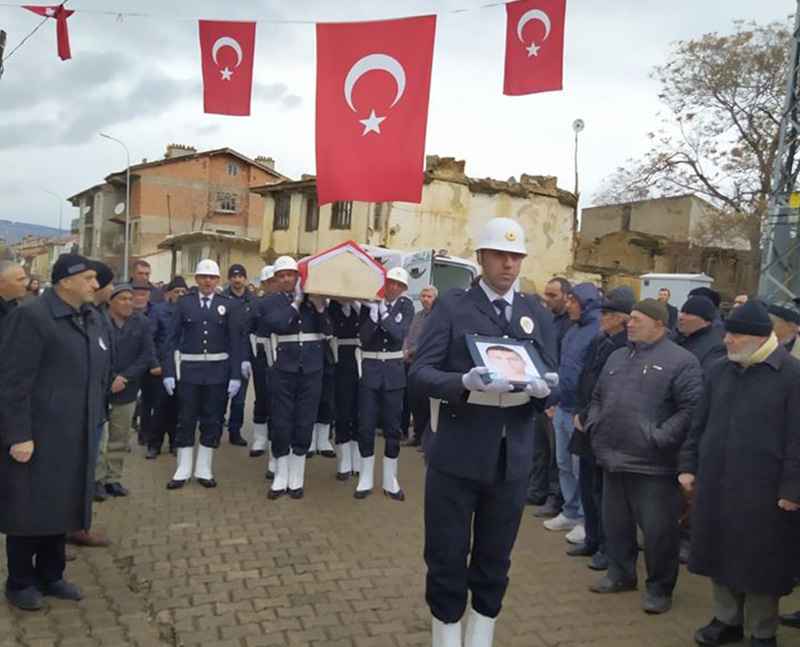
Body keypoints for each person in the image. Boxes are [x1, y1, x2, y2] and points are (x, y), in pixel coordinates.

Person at [411, 217, 558, 647]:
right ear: (481, 258)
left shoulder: (535, 312)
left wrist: (546, 390)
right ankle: (446, 637)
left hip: (511, 458)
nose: (509, 265)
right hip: (458, 451)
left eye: (516, 256)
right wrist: (462, 384)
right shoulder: (453, 307)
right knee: (447, 554)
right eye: (500, 255)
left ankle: (481, 636)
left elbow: (552, 374)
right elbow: (421, 373)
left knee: (496, 558)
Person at [680, 301, 800, 647]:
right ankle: (726, 619)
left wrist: (793, 489)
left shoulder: (792, 376)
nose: (727, 339)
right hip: (717, 484)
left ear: (759, 337)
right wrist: (688, 465)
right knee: (719, 553)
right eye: (727, 332)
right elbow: (698, 425)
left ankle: (762, 631)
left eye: (735, 334)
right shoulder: (719, 370)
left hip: (765, 491)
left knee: (760, 563)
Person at [0, 254, 109, 610]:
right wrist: (18, 435)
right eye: (90, 278)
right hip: (38, 433)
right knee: (28, 508)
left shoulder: (89, 316)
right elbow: (13, 381)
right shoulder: (31, 317)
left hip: (75, 432)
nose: (96, 285)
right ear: (66, 281)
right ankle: (19, 582)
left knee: (61, 506)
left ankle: (52, 575)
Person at [586, 298, 703, 614]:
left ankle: (660, 588)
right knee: (616, 526)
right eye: (630, 318)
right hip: (612, 457)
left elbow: (691, 409)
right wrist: (595, 424)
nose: (629, 323)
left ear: (658, 324)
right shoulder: (617, 356)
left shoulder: (682, 361)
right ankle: (621, 574)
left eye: (637, 319)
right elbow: (597, 396)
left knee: (658, 533)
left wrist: (659, 436)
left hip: (653, 465)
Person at [569, 286, 635, 572]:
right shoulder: (601, 340)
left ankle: (609, 549)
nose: (602, 318)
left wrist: (589, 414)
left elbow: (611, 389)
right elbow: (588, 377)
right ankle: (593, 539)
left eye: (608, 314)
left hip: (604, 426)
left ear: (622, 318)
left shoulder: (625, 346)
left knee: (603, 492)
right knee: (587, 486)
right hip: (586, 421)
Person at [162, 259, 244, 490]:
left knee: (213, 419)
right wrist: (168, 371)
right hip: (189, 373)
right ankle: (183, 468)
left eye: (212, 277)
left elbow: (235, 342)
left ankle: (204, 468)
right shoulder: (183, 303)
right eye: (203, 277)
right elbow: (170, 340)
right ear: (196, 279)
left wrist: (236, 375)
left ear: (218, 280)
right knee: (186, 419)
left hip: (218, 373)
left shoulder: (227, 304)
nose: (208, 281)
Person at [260, 256, 331, 500]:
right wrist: (297, 302)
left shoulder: (315, 301)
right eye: (282, 276)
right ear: (276, 279)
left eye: (291, 274)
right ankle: (280, 475)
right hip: (284, 368)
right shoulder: (270, 301)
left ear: (298, 276)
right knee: (281, 422)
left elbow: (328, 330)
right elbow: (279, 325)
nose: (287, 279)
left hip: (311, 369)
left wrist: (320, 308)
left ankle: (297, 477)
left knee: (304, 421)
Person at [545, 282, 601, 543]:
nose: (568, 305)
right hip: (562, 406)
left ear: (586, 303)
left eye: (572, 301)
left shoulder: (596, 331)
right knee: (563, 464)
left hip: (579, 411)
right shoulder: (572, 330)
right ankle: (569, 510)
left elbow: (593, 376)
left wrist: (585, 409)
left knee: (581, 470)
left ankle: (583, 519)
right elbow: (562, 366)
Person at [354, 266, 415, 501]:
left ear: (403, 289)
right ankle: (365, 476)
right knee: (366, 425)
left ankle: (391, 479)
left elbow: (400, 334)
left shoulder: (406, 306)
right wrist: (371, 317)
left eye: (399, 285)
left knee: (392, 427)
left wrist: (383, 315)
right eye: (391, 283)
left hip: (393, 372)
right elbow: (365, 337)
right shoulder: (370, 305)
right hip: (370, 370)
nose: (394, 287)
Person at [99, 284, 155, 497]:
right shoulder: (99, 321)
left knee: (119, 437)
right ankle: (96, 480)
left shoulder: (141, 323)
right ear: (110, 301)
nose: (128, 303)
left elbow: (146, 355)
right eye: (122, 298)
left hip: (127, 389)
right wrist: (111, 378)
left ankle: (113, 479)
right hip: (101, 387)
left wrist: (125, 377)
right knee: (100, 440)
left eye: (130, 299)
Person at [530, 277, 572, 516]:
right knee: (540, 450)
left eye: (553, 295)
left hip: (557, 398)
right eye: (546, 294)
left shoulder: (571, 326)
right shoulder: (548, 321)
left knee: (558, 457)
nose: (547, 300)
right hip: (542, 393)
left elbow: (566, 365)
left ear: (567, 296)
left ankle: (555, 500)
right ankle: (536, 491)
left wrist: (556, 399)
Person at [147, 277, 187, 459]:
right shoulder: (158, 310)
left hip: (183, 366)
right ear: (168, 293)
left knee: (178, 408)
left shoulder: (188, 311)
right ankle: (154, 444)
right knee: (160, 407)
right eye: (176, 291)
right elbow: (150, 339)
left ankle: (174, 443)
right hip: (162, 366)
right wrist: (154, 363)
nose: (179, 294)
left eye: (183, 292)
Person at [223, 264, 256, 448]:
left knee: (240, 399)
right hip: (223, 355)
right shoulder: (222, 299)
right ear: (229, 279)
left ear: (245, 279)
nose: (237, 280)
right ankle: (215, 429)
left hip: (244, 356)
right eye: (233, 276)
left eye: (240, 276)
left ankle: (235, 432)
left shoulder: (253, 301)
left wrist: (249, 358)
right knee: (220, 396)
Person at [329, 298, 361, 480]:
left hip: (361, 361)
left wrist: (358, 307)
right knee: (342, 410)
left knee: (359, 410)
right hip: (341, 361)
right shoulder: (333, 306)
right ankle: (344, 460)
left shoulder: (364, 306)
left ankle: (357, 458)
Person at [402, 285, 437, 449]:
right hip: (411, 363)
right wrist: (404, 350)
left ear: (435, 298)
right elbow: (408, 335)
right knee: (414, 400)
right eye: (423, 296)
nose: (425, 299)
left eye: (429, 296)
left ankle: (426, 439)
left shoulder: (438, 317)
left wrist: (412, 351)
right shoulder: (417, 316)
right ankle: (416, 435)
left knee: (426, 403)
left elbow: (427, 340)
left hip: (427, 364)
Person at [249, 265, 275, 460]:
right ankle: (259, 437)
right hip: (261, 353)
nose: (273, 285)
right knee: (262, 395)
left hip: (281, 353)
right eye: (269, 282)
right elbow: (249, 330)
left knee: (278, 398)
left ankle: (275, 437)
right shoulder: (256, 304)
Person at [676, 296, 727, 373]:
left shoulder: (715, 348)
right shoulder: (675, 338)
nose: (681, 317)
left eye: (688, 313)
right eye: (682, 312)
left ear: (706, 321)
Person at [0, 260, 28, 325]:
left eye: (25, 279)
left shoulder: (14, 303)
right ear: (1, 283)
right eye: (20, 280)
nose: (25, 284)